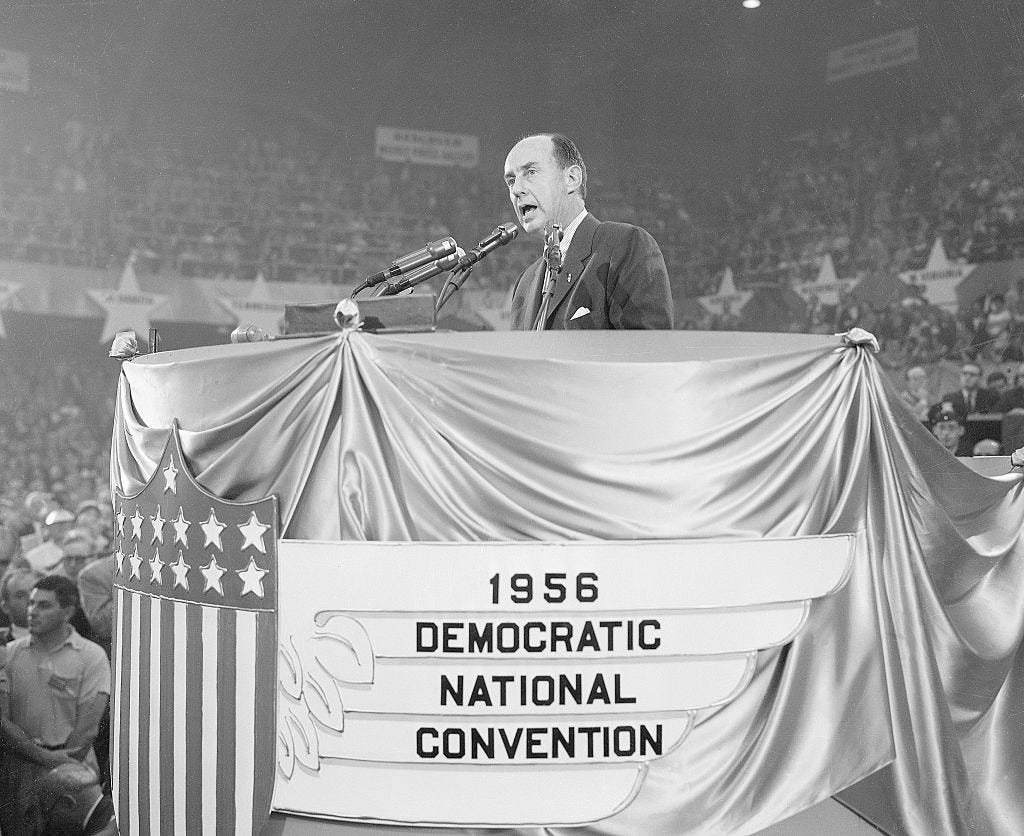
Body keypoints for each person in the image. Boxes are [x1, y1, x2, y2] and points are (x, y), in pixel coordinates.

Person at [504, 133, 674, 330]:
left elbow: (647, 345)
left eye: (531, 172)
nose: (516, 189)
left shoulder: (624, 245)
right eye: (511, 181)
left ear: (572, 178)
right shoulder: (524, 284)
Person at [0, 575, 110, 835]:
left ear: (68, 612)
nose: (32, 611)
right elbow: (2, 720)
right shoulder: (10, 655)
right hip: (19, 774)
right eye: (31, 603)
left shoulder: (91, 657)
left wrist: (57, 766)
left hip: (72, 775)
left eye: (44, 605)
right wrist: (38, 759)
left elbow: (87, 728)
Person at [928, 361, 1000, 424]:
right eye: (964, 373)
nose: (967, 377)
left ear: (980, 378)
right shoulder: (950, 398)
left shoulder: (991, 396)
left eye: (972, 375)